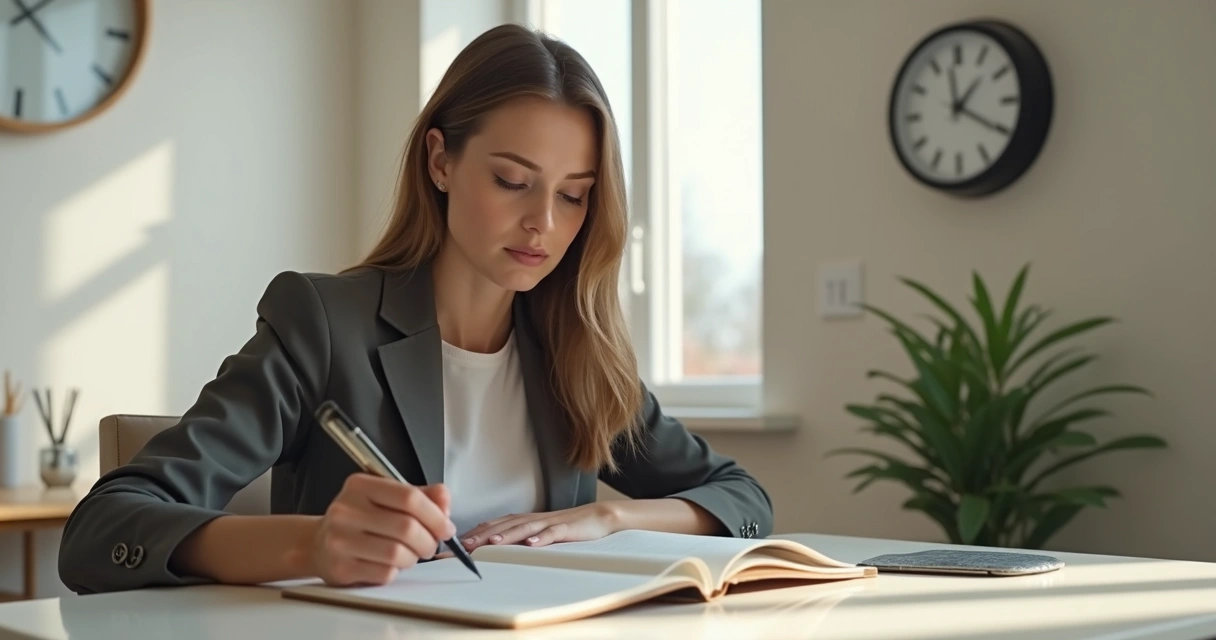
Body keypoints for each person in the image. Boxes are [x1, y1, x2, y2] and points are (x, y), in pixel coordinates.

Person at [57, 23, 772, 595]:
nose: (544, 224)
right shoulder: (324, 325)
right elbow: (102, 529)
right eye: (512, 180)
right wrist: (310, 545)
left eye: (573, 194)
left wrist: (609, 517)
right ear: (440, 161)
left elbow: (743, 500)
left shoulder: (575, 352)